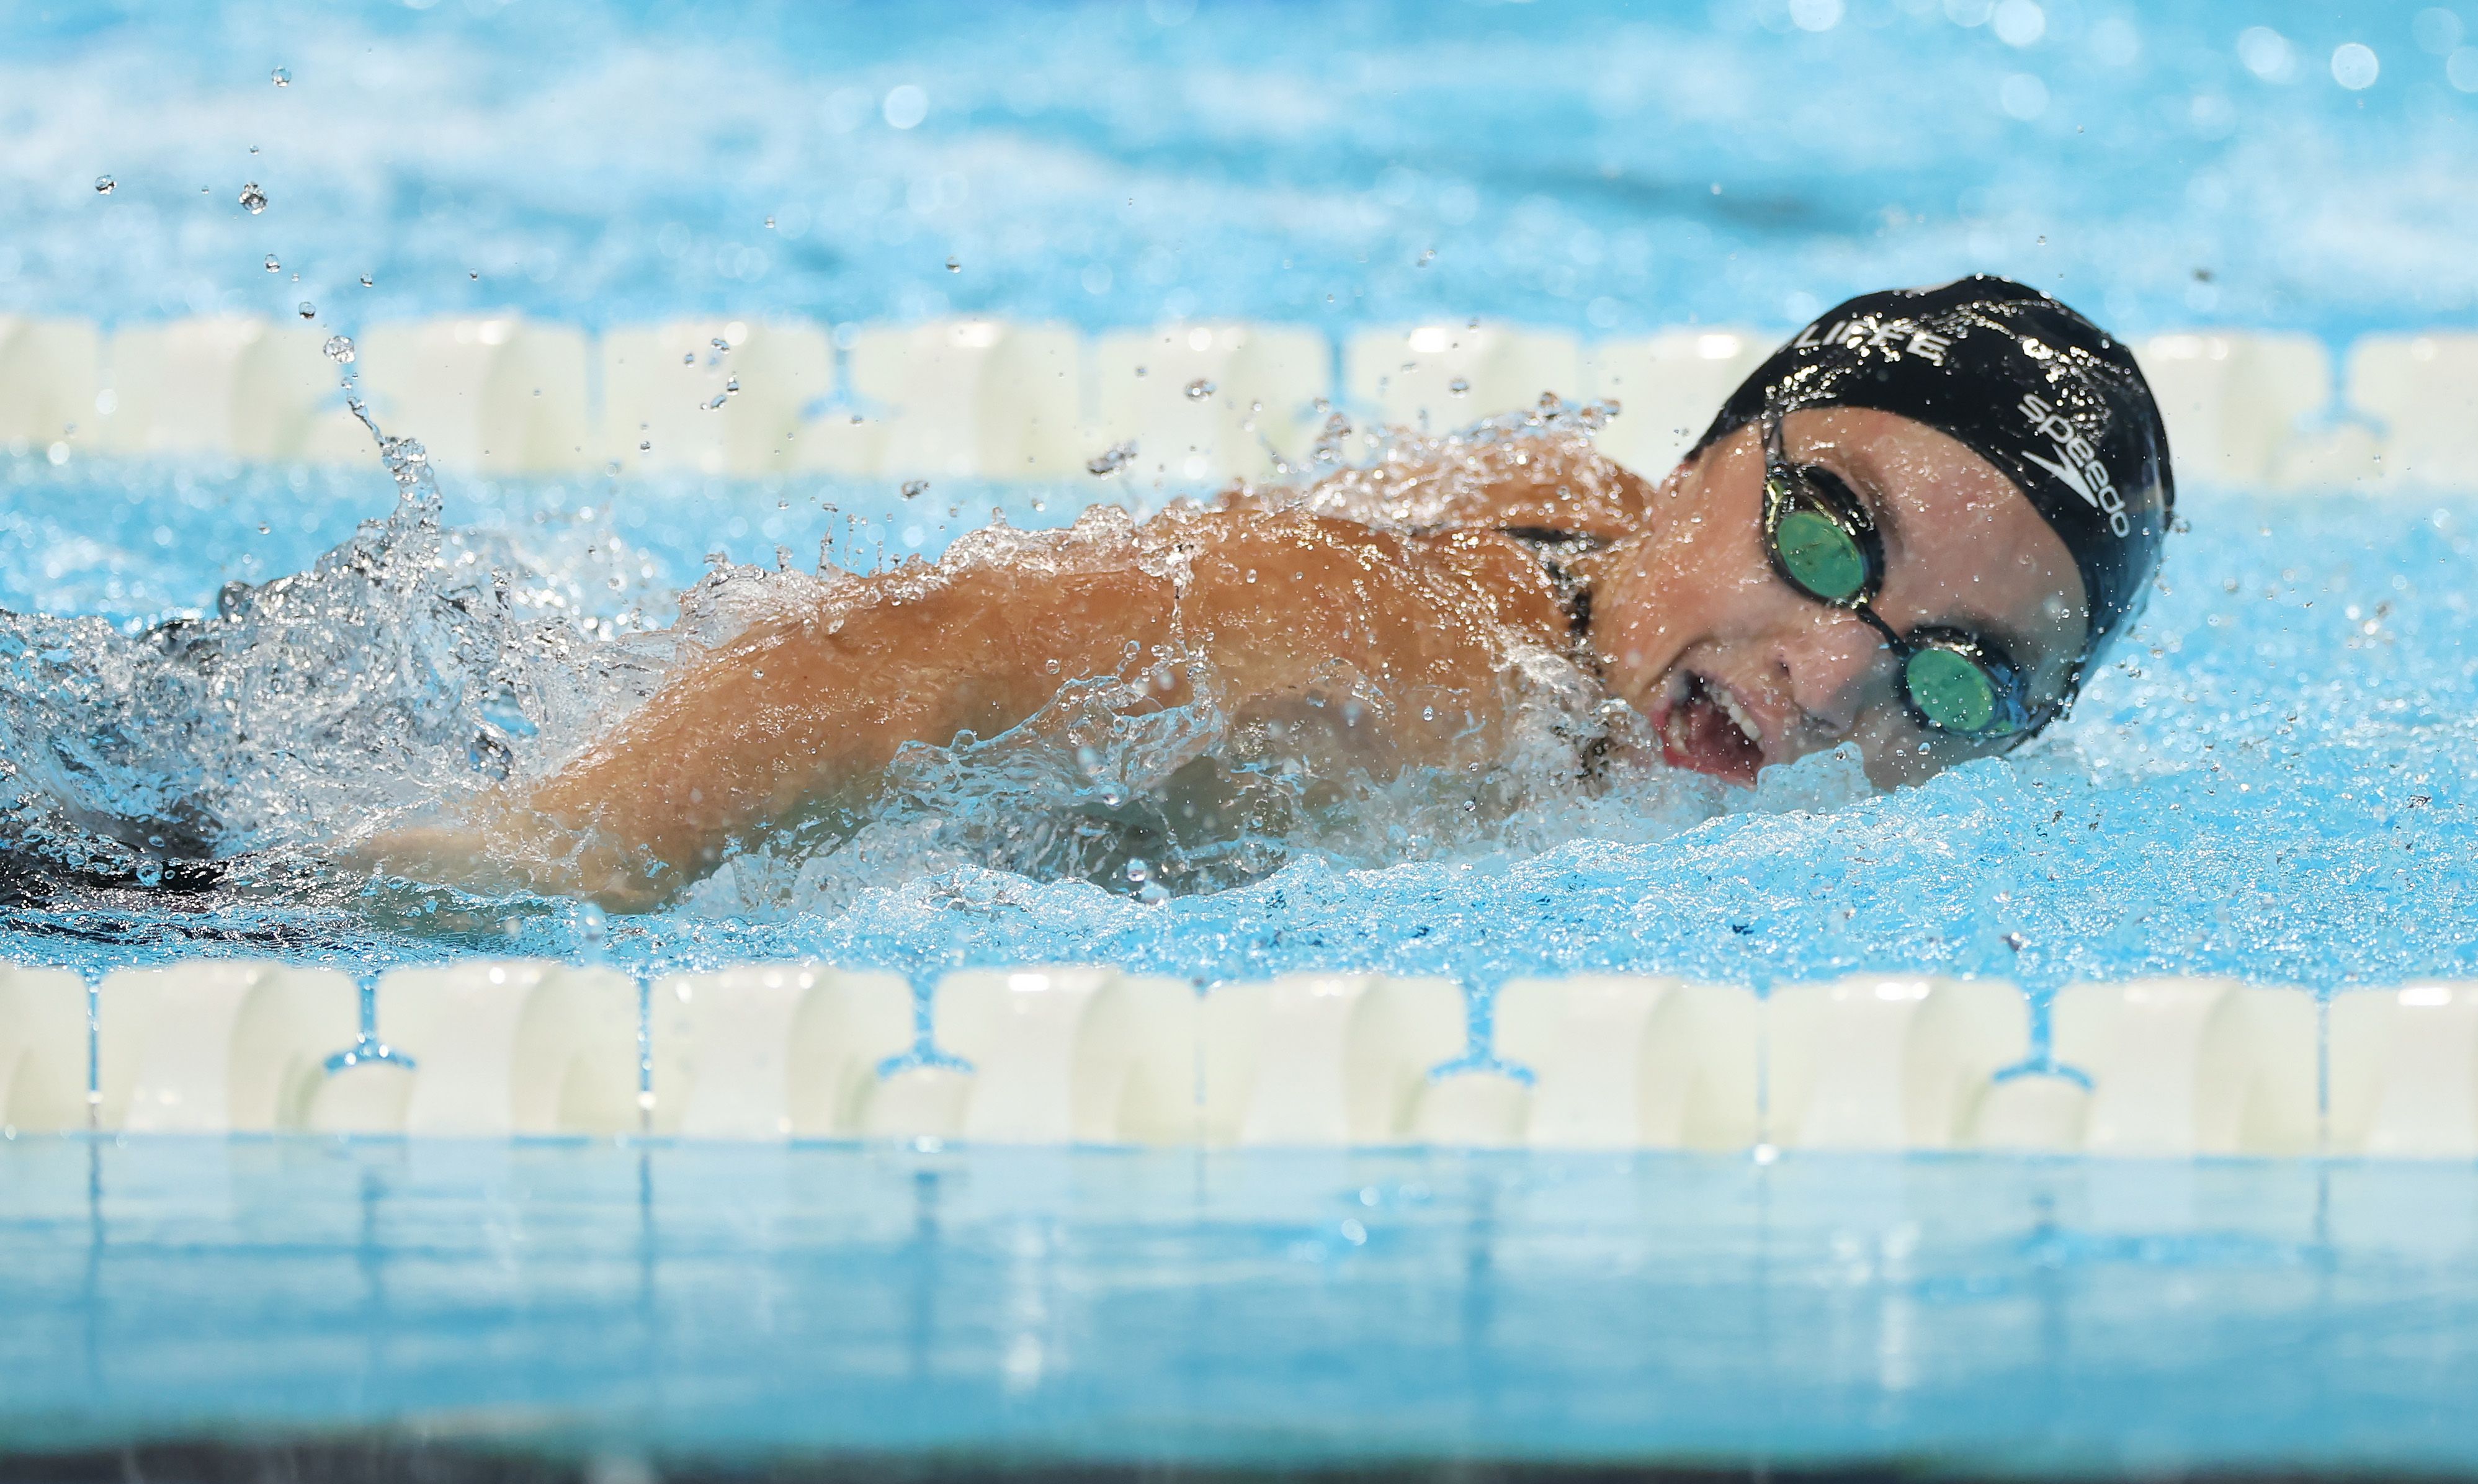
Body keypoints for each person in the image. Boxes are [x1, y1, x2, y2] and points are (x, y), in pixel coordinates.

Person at [359, 275, 2173, 911]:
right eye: (1830, 534)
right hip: (413, 795)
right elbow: (925, 654)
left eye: (1959, 676)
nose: (1832, 676)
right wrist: (562, 853)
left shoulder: (1581, 528)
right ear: (1712, 454)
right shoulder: (1406, 690)